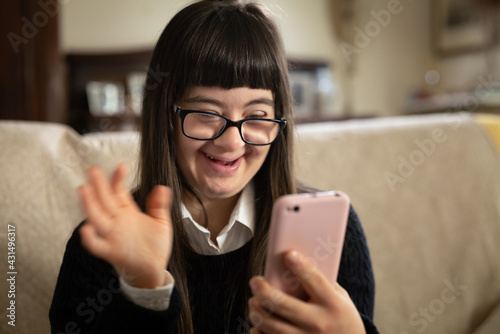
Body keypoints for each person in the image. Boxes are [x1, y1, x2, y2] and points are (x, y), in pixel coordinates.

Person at [49, 1, 379, 333]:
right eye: (207, 113)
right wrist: (144, 288)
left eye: (257, 116)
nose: (232, 143)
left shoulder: (335, 232)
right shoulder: (101, 242)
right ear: (167, 117)